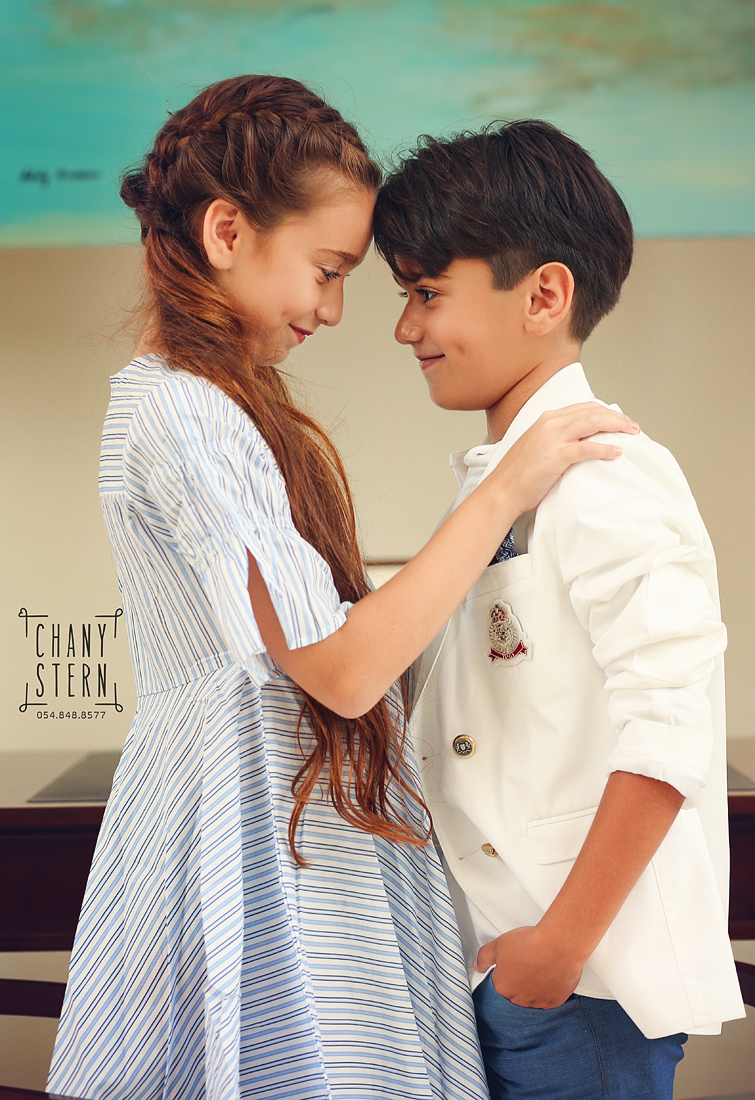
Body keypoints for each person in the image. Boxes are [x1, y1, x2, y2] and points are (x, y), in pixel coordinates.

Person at [46, 79, 635, 1100]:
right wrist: (504, 489)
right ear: (226, 231)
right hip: (258, 831)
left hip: (289, 818)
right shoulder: (187, 414)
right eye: (327, 270)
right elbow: (345, 669)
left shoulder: (209, 402)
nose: (334, 308)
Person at [372, 120, 745, 1100]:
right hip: (515, 971)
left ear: (543, 295)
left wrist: (558, 948)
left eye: (425, 292)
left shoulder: (608, 471)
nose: (404, 328)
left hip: (576, 984)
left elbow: (667, 723)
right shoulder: (503, 478)